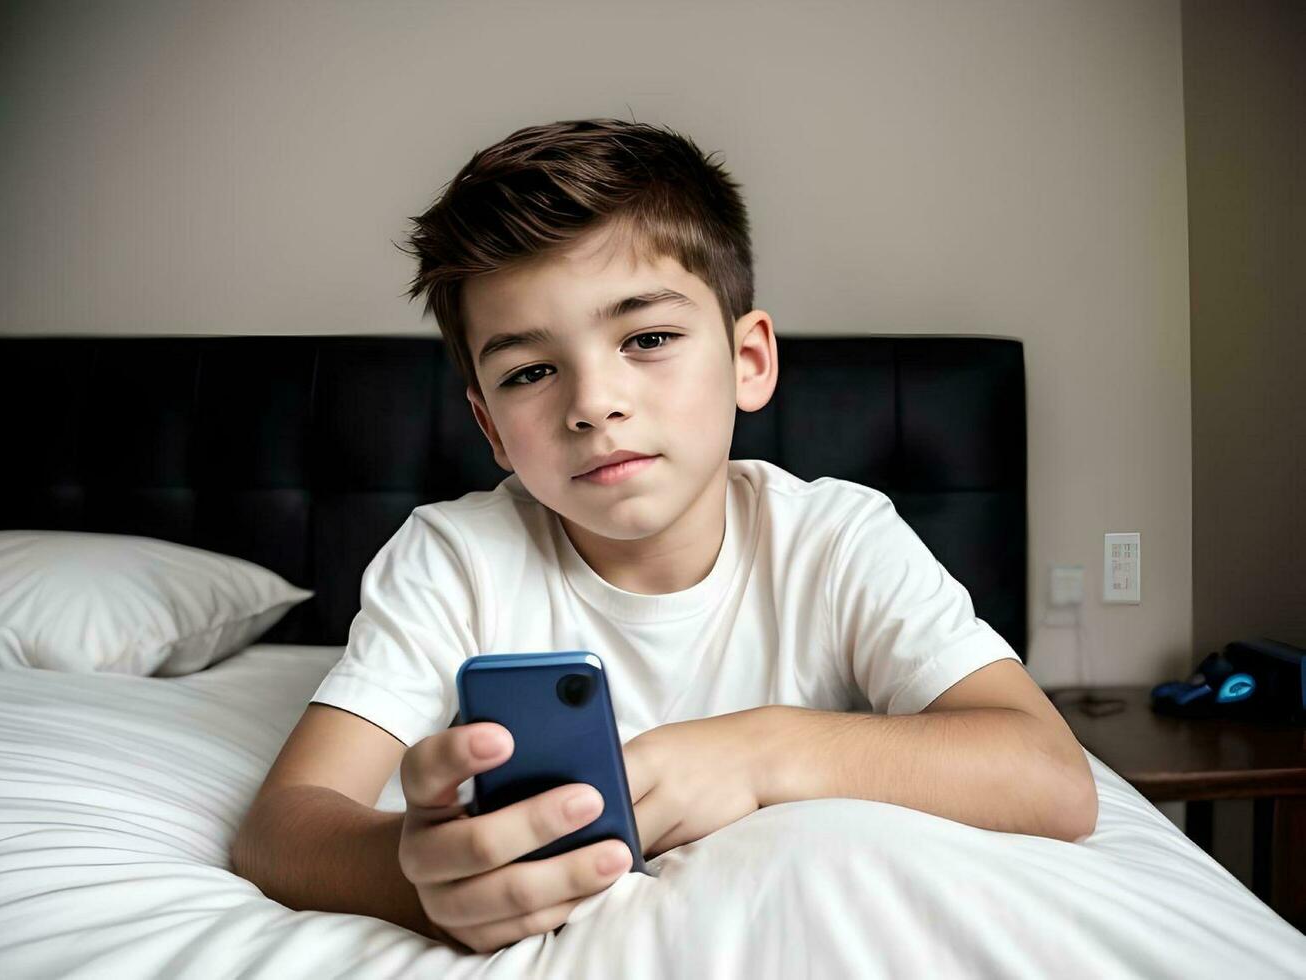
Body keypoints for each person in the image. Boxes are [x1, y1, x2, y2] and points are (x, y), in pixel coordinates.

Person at [231, 117, 1097, 956]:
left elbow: (1050, 778)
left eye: (646, 337)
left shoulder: (836, 537)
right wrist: (413, 877)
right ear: (491, 430)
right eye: (529, 371)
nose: (592, 403)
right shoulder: (455, 557)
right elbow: (282, 827)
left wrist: (760, 750)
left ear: (748, 361)